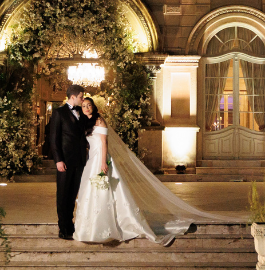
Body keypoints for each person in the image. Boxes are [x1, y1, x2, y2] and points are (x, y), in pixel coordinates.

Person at [73, 96, 238, 245]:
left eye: (89, 105)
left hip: (100, 159)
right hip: (91, 160)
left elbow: (103, 143)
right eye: (84, 106)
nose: (87, 108)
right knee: (92, 191)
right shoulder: (86, 123)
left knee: (107, 190)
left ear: (94, 107)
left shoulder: (100, 121)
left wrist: (103, 162)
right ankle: (92, 226)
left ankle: (108, 226)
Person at [46, 84, 88, 240]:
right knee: (63, 194)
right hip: (65, 161)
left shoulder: (81, 114)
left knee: (72, 194)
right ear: (73, 97)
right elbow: (54, 138)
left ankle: (70, 225)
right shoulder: (59, 113)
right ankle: (63, 227)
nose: (82, 100)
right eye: (81, 97)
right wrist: (58, 160)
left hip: (79, 160)